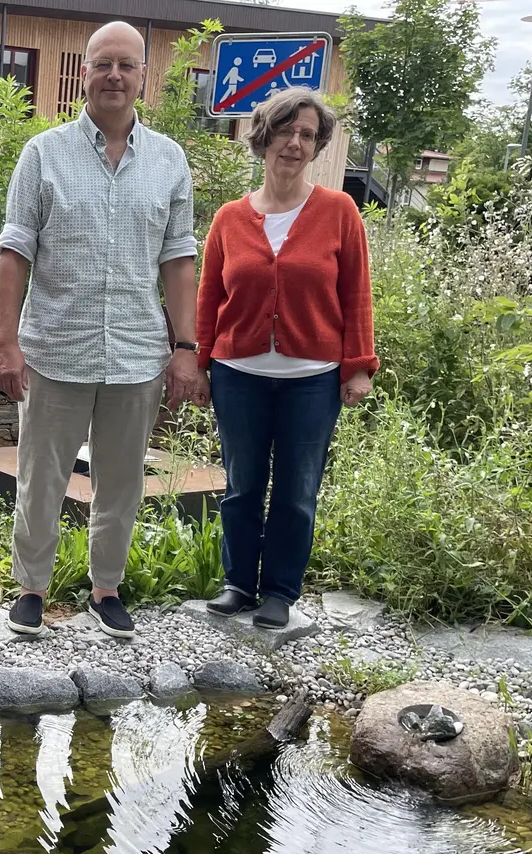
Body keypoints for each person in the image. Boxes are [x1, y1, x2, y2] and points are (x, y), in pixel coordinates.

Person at [0, 21, 204, 640]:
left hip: (137, 351)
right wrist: (6, 342)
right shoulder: (43, 154)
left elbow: (179, 258)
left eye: (127, 65)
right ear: (83, 72)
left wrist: (184, 346)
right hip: (56, 348)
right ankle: (32, 585)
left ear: (144, 75)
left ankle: (105, 588)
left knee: (122, 480)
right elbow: (15, 253)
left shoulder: (169, 160)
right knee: (41, 477)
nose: (115, 75)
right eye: (103, 64)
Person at [195, 87, 377, 630]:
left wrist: (359, 366)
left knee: (297, 491)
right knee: (242, 485)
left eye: (306, 134)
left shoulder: (339, 211)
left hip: (311, 380)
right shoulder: (229, 219)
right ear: (263, 137)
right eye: (284, 131)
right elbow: (209, 298)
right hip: (238, 375)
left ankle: (279, 591)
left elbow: (356, 293)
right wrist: (199, 364)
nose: (293, 144)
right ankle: (237, 583)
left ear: (317, 145)